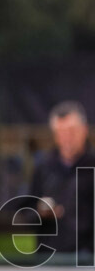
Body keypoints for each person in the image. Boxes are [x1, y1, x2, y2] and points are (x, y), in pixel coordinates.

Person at [29, 100, 95, 259]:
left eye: (72, 131)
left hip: (87, 257)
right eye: (61, 132)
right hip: (49, 255)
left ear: (84, 130)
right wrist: (41, 211)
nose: (67, 138)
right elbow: (26, 208)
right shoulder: (44, 167)